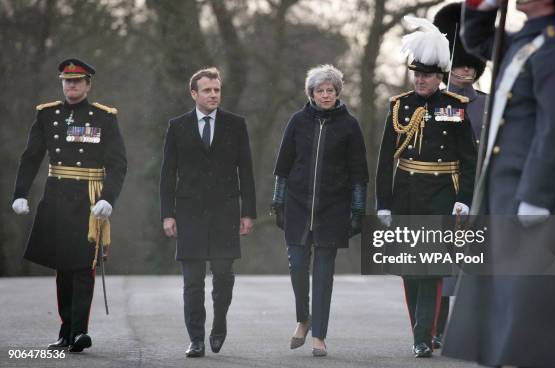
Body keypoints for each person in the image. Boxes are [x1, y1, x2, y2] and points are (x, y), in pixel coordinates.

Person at [442, 1, 555, 367]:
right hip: (505, 185)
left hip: (535, 190)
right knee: (500, 298)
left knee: (532, 309)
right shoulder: (528, 42)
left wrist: (536, 197)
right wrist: (482, 5)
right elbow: (477, 39)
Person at [375, 17, 477, 358]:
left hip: (441, 193)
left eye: (427, 75)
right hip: (406, 192)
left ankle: (423, 336)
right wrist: (383, 203)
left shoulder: (455, 107)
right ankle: (420, 331)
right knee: (409, 268)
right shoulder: (399, 106)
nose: (420, 79)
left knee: (430, 268)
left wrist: (464, 198)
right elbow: (384, 159)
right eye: (416, 74)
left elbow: (469, 159)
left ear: (439, 77)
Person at [12, 58, 127, 353]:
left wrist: (107, 198)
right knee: (62, 267)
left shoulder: (104, 117)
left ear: (88, 85)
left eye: (77, 81)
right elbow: (31, 157)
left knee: (83, 266)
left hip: (88, 199)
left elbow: (118, 164)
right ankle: (65, 330)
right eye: (67, 81)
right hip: (56, 197)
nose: (71, 85)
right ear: (62, 83)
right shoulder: (46, 115)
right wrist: (20, 193)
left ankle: (79, 332)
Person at [271, 64, 368, 357]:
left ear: (337, 92)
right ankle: (303, 319)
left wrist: (358, 209)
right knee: (298, 268)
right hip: (298, 205)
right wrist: (278, 201)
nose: (325, 95)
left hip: (333, 209)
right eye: (319, 91)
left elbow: (358, 173)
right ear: (310, 93)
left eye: (330, 90)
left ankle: (320, 336)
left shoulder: (349, 125)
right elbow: (283, 166)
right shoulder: (298, 121)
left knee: (324, 275)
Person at [159, 67, 256, 358]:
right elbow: (167, 174)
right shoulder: (177, 126)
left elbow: (247, 172)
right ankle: (196, 338)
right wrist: (168, 214)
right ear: (194, 93)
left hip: (226, 213)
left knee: (223, 276)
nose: (213, 95)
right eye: (207, 90)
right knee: (192, 282)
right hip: (188, 213)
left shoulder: (236, 124)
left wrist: (248, 212)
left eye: (216, 90)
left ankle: (220, 323)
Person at [431, 1, 488, 349]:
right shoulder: (438, 101)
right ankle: (438, 326)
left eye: (471, 66)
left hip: (484, 188)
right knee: (445, 265)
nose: (465, 71)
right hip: (449, 188)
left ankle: (478, 327)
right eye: (459, 65)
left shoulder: (489, 101)